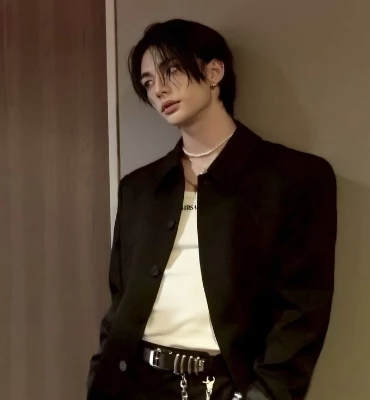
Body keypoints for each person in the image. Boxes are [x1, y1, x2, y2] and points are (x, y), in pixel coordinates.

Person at [87, 19, 337, 400]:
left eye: (171, 70)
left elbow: (302, 310)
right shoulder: (139, 188)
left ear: (214, 72)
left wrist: (266, 394)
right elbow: (120, 301)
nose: (159, 90)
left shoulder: (295, 179)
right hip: (133, 385)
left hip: (224, 386)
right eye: (148, 82)